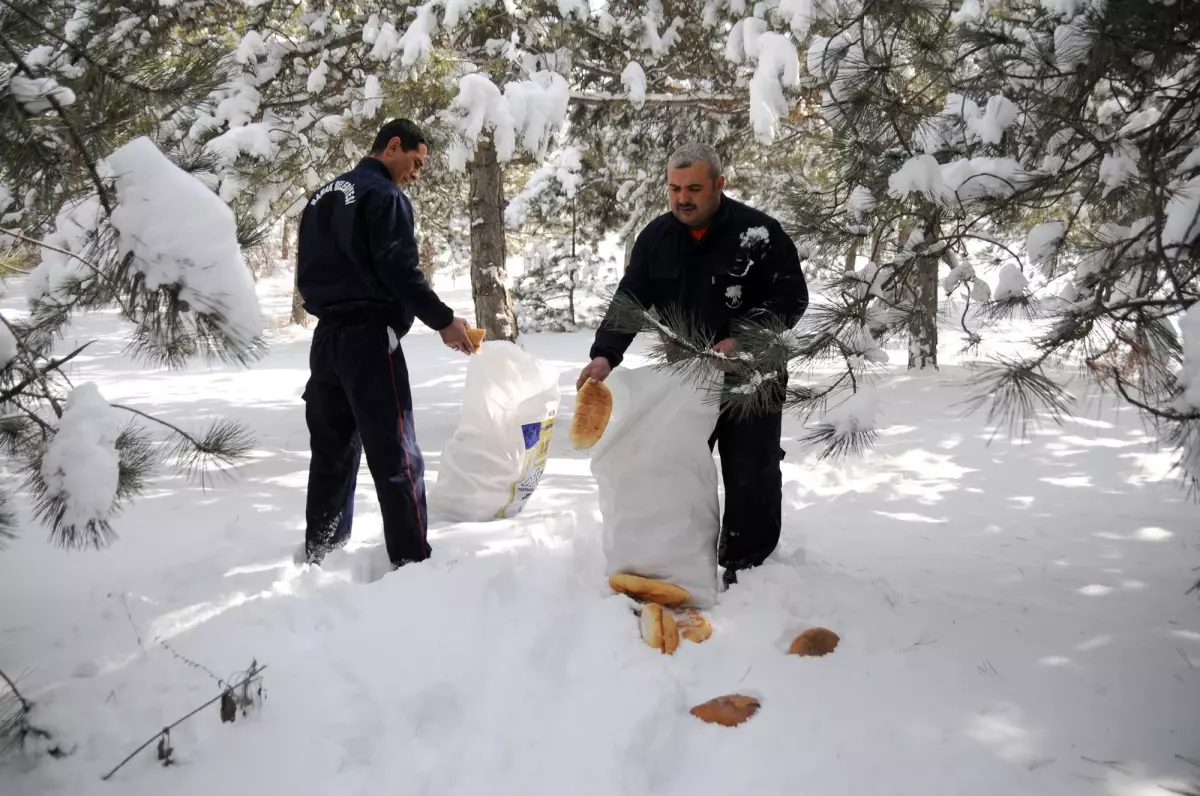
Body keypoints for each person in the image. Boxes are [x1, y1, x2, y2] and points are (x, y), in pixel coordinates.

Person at [578, 142, 809, 588]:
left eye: (695, 188)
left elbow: (792, 297)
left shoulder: (758, 234)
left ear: (719, 185)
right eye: (675, 188)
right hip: (685, 379)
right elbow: (630, 300)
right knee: (676, 469)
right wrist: (604, 354)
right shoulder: (656, 238)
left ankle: (749, 567)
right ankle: (678, 561)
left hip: (751, 375)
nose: (683, 198)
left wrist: (743, 338)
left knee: (750, 468)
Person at [295, 118, 476, 571]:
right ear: (393, 146)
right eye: (415, 162)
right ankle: (412, 560)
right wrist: (444, 321)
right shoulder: (385, 196)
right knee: (396, 454)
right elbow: (400, 271)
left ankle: (321, 551)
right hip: (370, 341)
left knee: (332, 452)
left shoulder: (323, 196)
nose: (416, 174)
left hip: (326, 343)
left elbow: (307, 273)